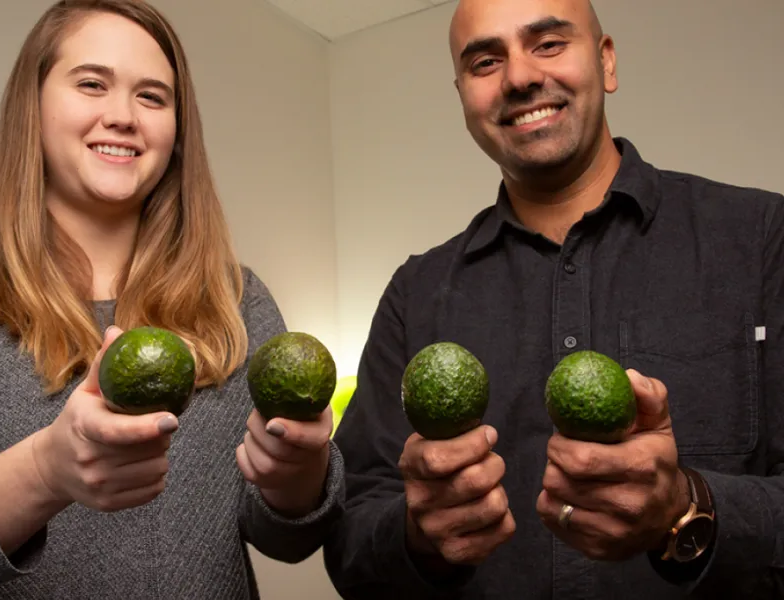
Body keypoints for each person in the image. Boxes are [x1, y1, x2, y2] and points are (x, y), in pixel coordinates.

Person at [0, 1, 344, 598]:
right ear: (32, 105)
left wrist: (299, 472)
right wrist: (45, 471)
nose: (123, 116)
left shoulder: (237, 298)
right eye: (92, 84)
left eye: (152, 97)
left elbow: (287, 537)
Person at [323, 0, 783, 598]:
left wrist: (689, 506)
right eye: (485, 62)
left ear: (606, 62)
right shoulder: (415, 293)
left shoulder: (763, 238)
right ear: (463, 97)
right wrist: (417, 534)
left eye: (548, 44)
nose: (519, 77)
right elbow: (351, 537)